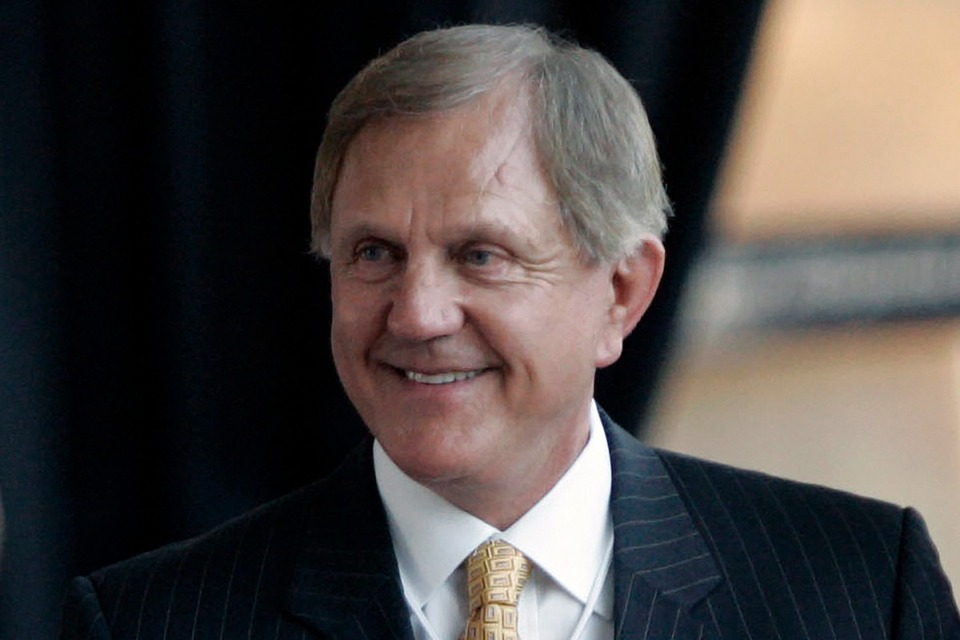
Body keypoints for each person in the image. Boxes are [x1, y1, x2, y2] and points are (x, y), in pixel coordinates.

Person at [60, 23, 958, 640]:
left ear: (621, 292)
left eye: (481, 255)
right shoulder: (154, 619)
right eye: (373, 252)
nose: (416, 315)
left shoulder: (858, 588)